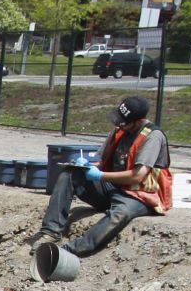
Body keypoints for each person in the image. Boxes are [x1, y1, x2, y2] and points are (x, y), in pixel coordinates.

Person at [31, 96, 172, 257]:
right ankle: (51, 232)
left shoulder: (152, 136)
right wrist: (87, 167)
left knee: (122, 212)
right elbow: (102, 162)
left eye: (124, 122)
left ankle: (71, 251)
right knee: (70, 175)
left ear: (137, 121)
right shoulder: (120, 132)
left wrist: (100, 176)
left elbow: (137, 176)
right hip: (114, 188)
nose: (119, 125)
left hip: (140, 195)